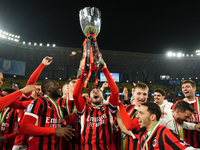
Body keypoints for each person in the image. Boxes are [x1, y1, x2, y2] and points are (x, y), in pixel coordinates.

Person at [73, 59, 119, 150]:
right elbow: (75, 95)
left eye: (98, 90)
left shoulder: (108, 109)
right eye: (92, 91)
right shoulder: (84, 108)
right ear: (89, 98)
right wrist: (82, 73)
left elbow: (115, 92)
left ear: (102, 96)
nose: (95, 91)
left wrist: (105, 70)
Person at [18, 80, 75, 150]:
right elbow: (23, 127)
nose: (59, 86)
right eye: (56, 84)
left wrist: (74, 116)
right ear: (47, 88)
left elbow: (58, 127)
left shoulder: (56, 105)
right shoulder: (39, 102)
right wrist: (54, 131)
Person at [117, 102, 196, 150]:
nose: (137, 116)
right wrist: (116, 110)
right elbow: (124, 128)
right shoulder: (141, 133)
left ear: (152, 117)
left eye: (141, 113)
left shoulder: (166, 133)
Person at [13, 56, 52, 150]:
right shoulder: (25, 100)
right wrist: (42, 65)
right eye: (37, 89)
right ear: (32, 89)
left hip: (35, 142)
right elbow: (30, 82)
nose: (39, 91)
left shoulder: (43, 103)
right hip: (20, 143)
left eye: (40, 89)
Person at [172, 80, 200, 148]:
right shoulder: (177, 105)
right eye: (183, 87)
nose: (184, 89)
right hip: (184, 143)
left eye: (187, 87)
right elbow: (174, 122)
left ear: (194, 88)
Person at [57, 76, 81, 150]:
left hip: (80, 137)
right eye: (73, 82)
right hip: (62, 137)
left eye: (78, 83)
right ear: (68, 86)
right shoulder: (59, 101)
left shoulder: (86, 101)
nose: (76, 84)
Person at [123, 82, 148, 150]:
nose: (142, 97)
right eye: (139, 93)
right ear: (133, 94)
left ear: (147, 95)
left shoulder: (149, 111)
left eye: (144, 94)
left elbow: (127, 126)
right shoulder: (128, 108)